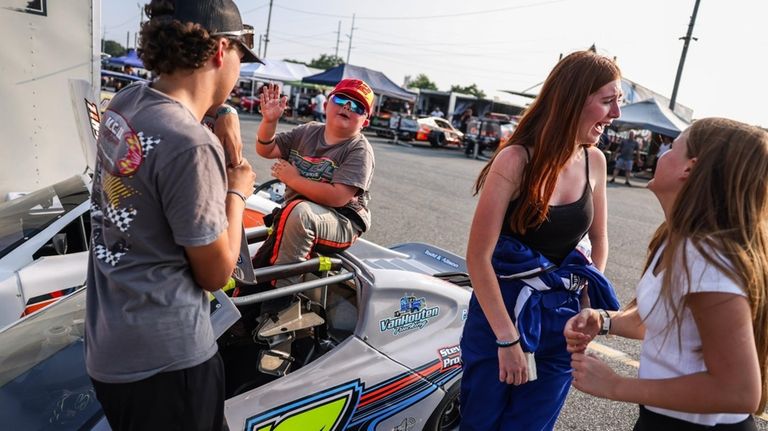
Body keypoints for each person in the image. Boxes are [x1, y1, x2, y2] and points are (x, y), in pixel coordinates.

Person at [85, 0, 260, 429]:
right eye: (240, 56)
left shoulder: (127, 102)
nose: (240, 72)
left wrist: (221, 114)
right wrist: (237, 192)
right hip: (168, 361)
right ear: (221, 50)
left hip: (110, 346)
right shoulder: (189, 143)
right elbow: (217, 274)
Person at [565, 117, 768, 431]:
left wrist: (616, 386)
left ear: (689, 168)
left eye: (672, 147)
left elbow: (739, 392)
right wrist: (603, 321)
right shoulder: (677, 238)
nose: (662, 154)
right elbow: (660, 322)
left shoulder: (706, 258)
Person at [459, 50, 622, 431]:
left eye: (618, 102)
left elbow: (599, 242)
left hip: (561, 322)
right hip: (501, 314)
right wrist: (506, 340)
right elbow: (478, 257)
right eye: (607, 101)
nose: (615, 114)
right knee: (481, 423)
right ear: (572, 99)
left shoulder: (594, 160)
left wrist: (586, 311)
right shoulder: (515, 160)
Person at [252, 79, 375, 287]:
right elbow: (266, 149)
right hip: (299, 214)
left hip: (341, 222)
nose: (347, 106)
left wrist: (293, 179)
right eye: (341, 98)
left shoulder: (359, 150)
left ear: (365, 122)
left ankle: (281, 301)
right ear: (326, 105)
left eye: (357, 106)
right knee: (295, 213)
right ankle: (257, 289)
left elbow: (338, 197)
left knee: (299, 212)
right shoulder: (307, 131)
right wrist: (269, 122)